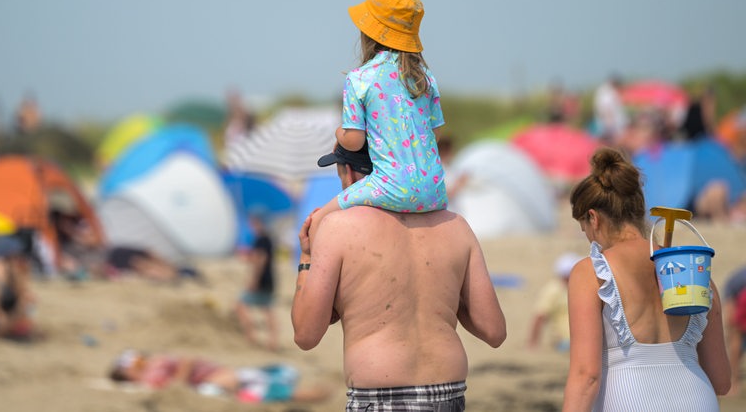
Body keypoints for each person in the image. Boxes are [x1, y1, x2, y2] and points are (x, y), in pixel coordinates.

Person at [292, 143, 506, 411]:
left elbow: (306, 334)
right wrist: (443, 295)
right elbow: (494, 331)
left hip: (379, 393)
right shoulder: (455, 225)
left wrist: (306, 258)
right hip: (448, 391)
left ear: (350, 173)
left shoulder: (337, 228)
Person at [562, 147, 731, 411]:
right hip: (698, 400)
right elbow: (721, 381)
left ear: (593, 218)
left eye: (584, 229)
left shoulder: (591, 273)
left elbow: (587, 376)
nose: (589, 238)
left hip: (629, 399)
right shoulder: (696, 272)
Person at [309, 0, 447, 242]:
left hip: (387, 185)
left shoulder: (360, 78)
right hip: (436, 191)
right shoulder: (426, 79)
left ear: (368, 33)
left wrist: (339, 131)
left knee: (317, 223)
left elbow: (354, 140)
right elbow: (435, 134)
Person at [107, 349, 333, 403]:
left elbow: (188, 361)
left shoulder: (154, 365)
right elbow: (187, 363)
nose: (138, 361)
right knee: (264, 391)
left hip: (217, 378)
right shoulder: (149, 376)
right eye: (132, 363)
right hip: (216, 381)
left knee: (265, 383)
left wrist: (180, 381)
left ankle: (316, 394)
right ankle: (314, 395)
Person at [234, 211, 278, 351]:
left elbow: (260, 260)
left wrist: (254, 280)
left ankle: (251, 335)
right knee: (267, 309)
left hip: (261, 279)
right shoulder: (267, 239)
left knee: (240, 305)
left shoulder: (261, 239)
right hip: (269, 279)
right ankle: (272, 341)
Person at [528, 252, 580, 352]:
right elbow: (539, 317)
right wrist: (533, 343)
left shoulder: (576, 288)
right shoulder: (553, 290)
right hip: (565, 341)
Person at [723, 265, 746, 395]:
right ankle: (734, 382)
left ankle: (734, 382)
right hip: (739, 303)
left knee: (736, 343)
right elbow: (730, 290)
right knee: (735, 343)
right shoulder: (741, 276)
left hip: (738, 301)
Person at [592, 75, 627, 146]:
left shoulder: (606, 92)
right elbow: (606, 111)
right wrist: (611, 129)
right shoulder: (606, 92)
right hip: (612, 129)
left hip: (611, 128)